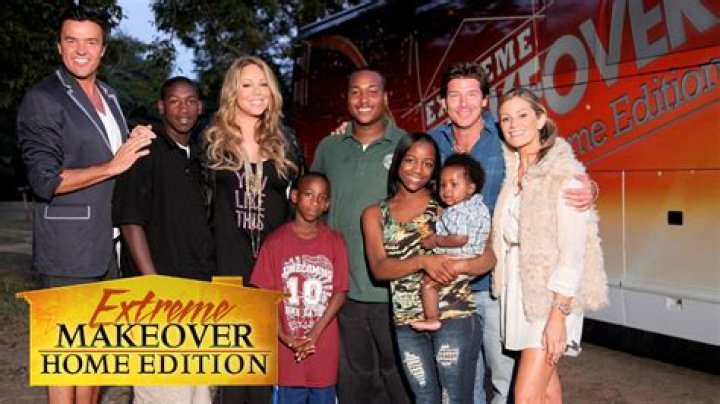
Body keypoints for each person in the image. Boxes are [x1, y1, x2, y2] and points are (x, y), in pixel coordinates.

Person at [429, 61, 596, 403]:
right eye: (454, 95)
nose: (463, 103)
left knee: (517, 391)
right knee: (540, 388)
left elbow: (572, 237)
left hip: (529, 288)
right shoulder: (443, 145)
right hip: (498, 287)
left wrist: (589, 187)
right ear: (443, 102)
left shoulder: (516, 147)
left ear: (484, 101)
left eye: (472, 94)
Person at [16, 4, 155, 403]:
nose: (81, 50)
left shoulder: (109, 94)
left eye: (91, 42)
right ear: (59, 46)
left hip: (106, 243)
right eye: (72, 40)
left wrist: (132, 142)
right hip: (67, 248)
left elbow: (112, 156)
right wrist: (112, 166)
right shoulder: (43, 99)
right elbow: (45, 179)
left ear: (104, 49)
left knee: (96, 355)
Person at [492, 87, 608, 403]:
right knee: (545, 388)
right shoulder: (511, 168)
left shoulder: (564, 176)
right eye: (506, 118)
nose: (514, 124)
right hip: (518, 290)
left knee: (525, 396)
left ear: (541, 119)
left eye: (522, 115)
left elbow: (573, 254)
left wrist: (559, 315)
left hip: (550, 297)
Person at [362, 133, 496, 404]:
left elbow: (488, 257)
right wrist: (423, 261)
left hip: (454, 315)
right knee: (424, 398)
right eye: (410, 160)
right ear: (398, 161)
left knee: (455, 398)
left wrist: (461, 265)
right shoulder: (375, 214)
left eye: (428, 164)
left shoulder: (447, 205)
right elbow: (379, 268)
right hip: (407, 322)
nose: (417, 170)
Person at [310, 67, 412, 404]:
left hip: (393, 291)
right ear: (347, 98)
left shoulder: (406, 145)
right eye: (356, 91)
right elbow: (313, 205)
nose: (364, 99)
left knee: (399, 381)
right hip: (343, 289)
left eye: (372, 91)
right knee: (353, 382)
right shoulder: (330, 147)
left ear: (385, 98)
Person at [204, 56, 303, 404]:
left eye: (263, 84)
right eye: (247, 84)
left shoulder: (285, 140)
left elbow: (302, 198)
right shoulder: (211, 140)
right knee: (234, 370)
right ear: (233, 91)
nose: (257, 92)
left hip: (271, 267)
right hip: (227, 266)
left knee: (264, 368)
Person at [112, 77, 214, 403]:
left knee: (198, 393)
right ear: (161, 106)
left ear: (200, 107)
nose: (183, 108)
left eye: (190, 100)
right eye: (174, 101)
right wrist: (152, 283)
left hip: (197, 292)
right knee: (162, 391)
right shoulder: (144, 151)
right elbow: (130, 221)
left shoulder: (200, 157)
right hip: (156, 295)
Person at [250, 172, 348, 404]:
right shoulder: (274, 243)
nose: (315, 202)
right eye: (308, 195)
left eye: (322, 197)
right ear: (294, 196)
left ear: (327, 204)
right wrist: (285, 337)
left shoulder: (335, 241)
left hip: (322, 350)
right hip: (287, 352)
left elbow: (340, 292)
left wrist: (313, 335)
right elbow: (264, 298)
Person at [413, 153, 491, 332]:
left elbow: (460, 238)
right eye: (443, 185)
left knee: (428, 284)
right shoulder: (477, 205)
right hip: (475, 255)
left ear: (471, 188)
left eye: (454, 185)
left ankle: (432, 319)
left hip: (461, 257)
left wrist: (435, 240)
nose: (446, 190)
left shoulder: (458, 211)